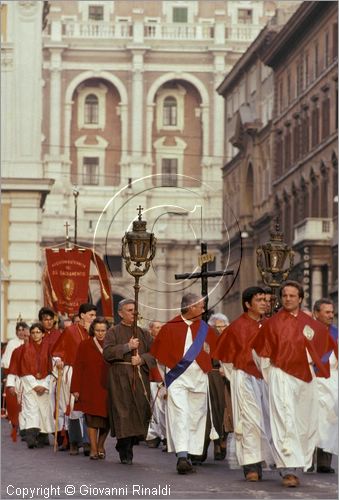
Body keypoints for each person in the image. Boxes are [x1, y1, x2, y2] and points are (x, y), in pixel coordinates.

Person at [253, 281, 337, 488]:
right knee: (284, 420)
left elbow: (325, 352)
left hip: (305, 378)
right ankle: (288, 469)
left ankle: (297, 464)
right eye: (285, 295)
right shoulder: (272, 324)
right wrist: (270, 373)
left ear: (300, 298)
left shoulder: (313, 325)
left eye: (292, 295)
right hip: (281, 376)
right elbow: (259, 353)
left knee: (303, 421)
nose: (288, 299)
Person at [150, 293, 217, 475]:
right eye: (200, 307)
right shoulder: (170, 327)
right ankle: (182, 455)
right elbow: (160, 357)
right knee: (179, 415)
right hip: (177, 380)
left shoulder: (206, 329)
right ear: (189, 307)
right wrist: (166, 380)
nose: (203, 310)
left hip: (199, 379)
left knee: (196, 416)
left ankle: (192, 453)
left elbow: (215, 351)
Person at [213, 288, 273, 481]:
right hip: (245, 378)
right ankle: (250, 465)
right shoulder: (236, 327)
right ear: (248, 304)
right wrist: (238, 376)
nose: (264, 303)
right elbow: (226, 359)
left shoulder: (271, 326)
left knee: (267, 420)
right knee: (248, 421)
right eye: (259, 300)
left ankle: (265, 459)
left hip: (268, 380)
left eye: (265, 300)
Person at [103, 299, 154, 465]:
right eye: (130, 310)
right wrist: (127, 346)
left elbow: (154, 354)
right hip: (119, 378)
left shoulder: (144, 333)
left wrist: (141, 359)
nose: (134, 313)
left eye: (135, 310)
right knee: (123, 413)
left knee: (138, 411)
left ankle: (128, 442)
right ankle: (125, 449)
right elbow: (107, 353)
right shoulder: (113, 332)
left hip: (139, 378)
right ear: (120, 313)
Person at [52, 303, 97, 455]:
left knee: (89, 409)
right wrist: (58, 360)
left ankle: (88, 442)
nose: (93, 318)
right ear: (82, 315)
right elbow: (58, 351)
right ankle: (74, 441)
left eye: (94, 315)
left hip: (91, 374)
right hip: (72, 372)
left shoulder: (96, 332)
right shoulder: (70, 331)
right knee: (73, 408)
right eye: (91, 315)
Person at [71, 317, 110, 460]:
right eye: (98, 330)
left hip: (107, 387)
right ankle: (93, 448)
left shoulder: (112, 345)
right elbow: (78, 367)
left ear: (107, 331)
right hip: (89, 387)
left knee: (107, 420)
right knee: (92, 419)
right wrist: (75, 389)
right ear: (93, 330)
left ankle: (101, 445)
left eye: (103, 330)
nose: (100, 333)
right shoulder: (84, 345)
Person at [313, 298, 338, 473]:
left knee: (329, 420)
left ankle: (324, 462)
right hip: (313, 379)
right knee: (310, 420)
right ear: (316, 313)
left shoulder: (336, 333)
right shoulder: (308, 331)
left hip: (332, 381)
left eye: (332, 312)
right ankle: (307, 460)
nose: (331, 315)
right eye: (327, 312)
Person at [19, 323, 54, 449]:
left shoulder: (49, 348)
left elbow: (52, 368)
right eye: (33, 332)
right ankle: (31, 437)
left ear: (43, 334)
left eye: (38, 332)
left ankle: (43, 437)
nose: (35, 335)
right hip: (31, 384)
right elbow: (23, 367)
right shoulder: (26, 348)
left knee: (44, 411)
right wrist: (34, 385)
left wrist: (44, 384)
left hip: (45, 382)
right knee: (31, 410)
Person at [206, 313, 232, 461]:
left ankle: (223, 439)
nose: (221, 329)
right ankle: (216, 441)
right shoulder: (208, 340)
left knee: (227, 411)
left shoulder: (230, 340)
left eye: (223, 326)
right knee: (215, 410)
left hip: (228, 380)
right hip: (213, 377)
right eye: (217, 327)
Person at [145, 320, 167, 450]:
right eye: (157, 327)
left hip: (162, 378)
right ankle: (153, 434)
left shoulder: (166, 342)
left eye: (161, 327)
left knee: (162, 409)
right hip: (151, 377)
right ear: (151, 330)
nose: (159, 330)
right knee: (153, 408)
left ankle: (164, 435)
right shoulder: (147, 342)